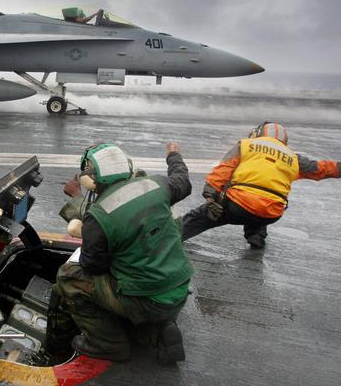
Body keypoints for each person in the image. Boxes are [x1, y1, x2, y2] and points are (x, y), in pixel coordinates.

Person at [50, 142, 193, 363]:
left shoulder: (98, 216)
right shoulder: (157, 185)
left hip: (147, 301)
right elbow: (182, 179)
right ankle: (156, 332)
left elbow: (93, 267)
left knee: (69, 277)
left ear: (91, 179)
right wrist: (174, 154)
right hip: (179, 290)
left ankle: (108, 344)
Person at [182, 122, 340, 248]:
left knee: (198, 217)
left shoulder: (246, 145)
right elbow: (323, 169)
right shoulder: (294, 158)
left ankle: (166, 239)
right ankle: (256, 235)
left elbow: (223, 171)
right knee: (263, 201)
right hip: (271, 214)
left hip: (238, 206)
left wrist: (210, 196)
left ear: (258, 133)